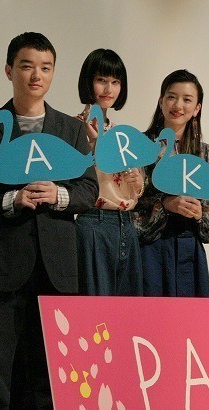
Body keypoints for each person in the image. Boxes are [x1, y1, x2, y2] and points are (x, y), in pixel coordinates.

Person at [0, 32, 98, 409]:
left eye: (45, 67)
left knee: (50, 372)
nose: (36, 75)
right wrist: (13, 199)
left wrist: (58, 195)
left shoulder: (71, 129)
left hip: (57, 270)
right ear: (9, 71)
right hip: (1, 266)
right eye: (27, 66)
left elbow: (88, 189)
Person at [134, 69, 209, 297]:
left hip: (190, 252)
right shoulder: (140, 146)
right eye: (171, 97)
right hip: (150, 251)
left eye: (187, 99)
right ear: (161, 101)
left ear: (197, 108)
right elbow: (127, 209)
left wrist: (200, 214)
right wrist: (164, 205)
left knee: (190, 318)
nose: (178, 105)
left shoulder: (205, 154)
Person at [75, 48, 144, 296]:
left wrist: (138, 181)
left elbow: (134, 189)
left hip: (127, 225)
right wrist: (96, 144)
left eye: (115, 82)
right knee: (96, 307)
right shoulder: (74, 128)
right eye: (101, 80)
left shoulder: (121, 133)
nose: (108, 89)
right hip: (93, 223)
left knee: (128, 309)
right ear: (88, 82)